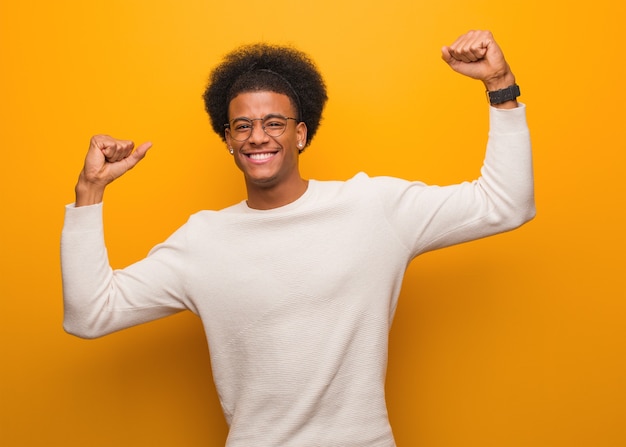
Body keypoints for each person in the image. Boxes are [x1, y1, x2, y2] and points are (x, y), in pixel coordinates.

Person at [61, 30, 535, 447]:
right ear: (228, 140)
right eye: (242, 125)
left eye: (274, 123)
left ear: (301, 133)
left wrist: (499, 85)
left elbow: (506, 203)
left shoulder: (373, 208)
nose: (256, 136)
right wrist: (90, 191)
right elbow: (90, 315)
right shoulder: (202, 241)